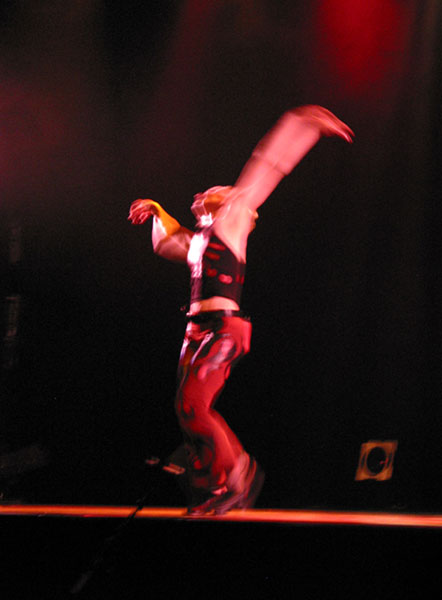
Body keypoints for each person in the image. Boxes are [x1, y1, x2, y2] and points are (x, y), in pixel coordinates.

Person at [128, 105, 353, 515]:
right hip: (198, 329)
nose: (200, 194)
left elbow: (268, 164)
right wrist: (157, 210)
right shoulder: (199, 240)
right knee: (188, 410)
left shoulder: (232, 220)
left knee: (194, 405)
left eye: (212, 191)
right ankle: (219, 484)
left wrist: (304, 124)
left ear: (231, 200)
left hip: (222, 329)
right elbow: (166, 243)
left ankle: (237, 474)